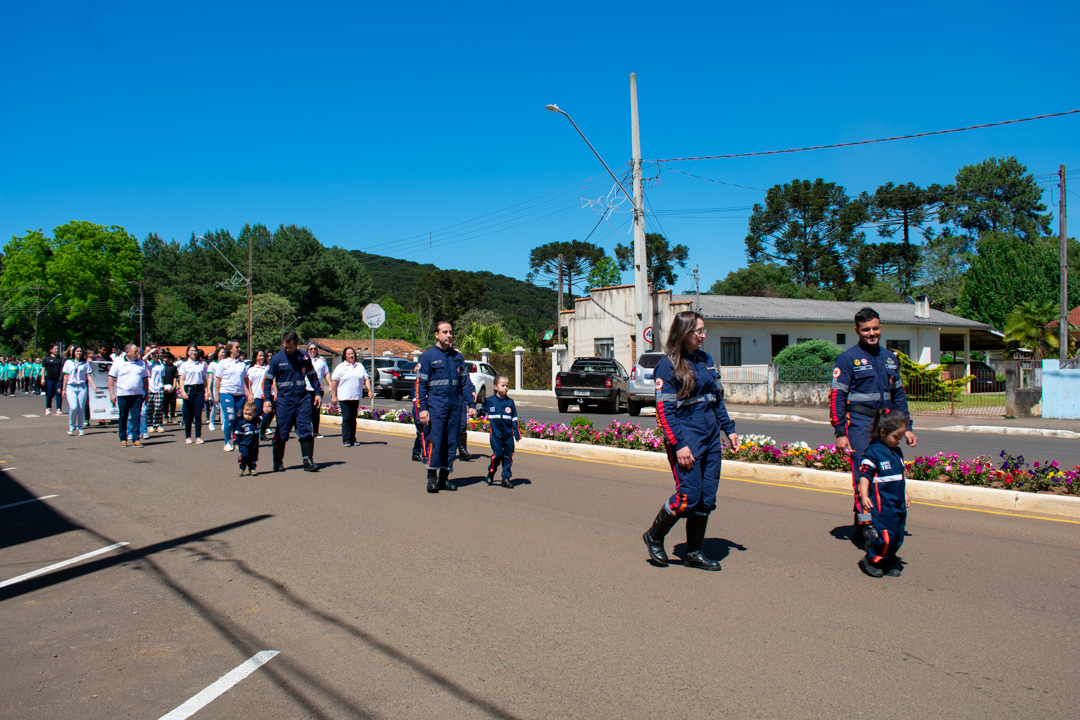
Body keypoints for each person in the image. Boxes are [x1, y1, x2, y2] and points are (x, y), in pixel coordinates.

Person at [643, 311, 740, 571]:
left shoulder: (705, 359)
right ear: (683, 333)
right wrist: (679, 444)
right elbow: (664, 412)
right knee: (688, 497)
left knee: (706, 498)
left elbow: (716, 399)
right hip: (687, 438)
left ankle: (694, 552)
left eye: (703, 330)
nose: (703, 335)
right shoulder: (667, 365)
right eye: (698, 331)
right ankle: (654, 535)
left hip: (710, 438)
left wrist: (729, 429)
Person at [830, 307, 917, 547]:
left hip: (885, 424)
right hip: (859, 424)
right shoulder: (847, 359)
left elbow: (898, 395)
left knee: (887, 472)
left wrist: (906, 426)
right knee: (863, 474)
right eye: (866, 329)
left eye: (875, 328)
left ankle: (880, 521)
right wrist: (840, 432)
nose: (872, 333)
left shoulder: (890, 358)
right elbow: (837, 397)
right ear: (857, 330)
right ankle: (866, 524)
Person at [415, 321, 477, 493]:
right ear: (437, 335)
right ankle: (432, 478)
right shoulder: (428, 356)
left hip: (455, 406)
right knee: (436, 441)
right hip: (437, 405)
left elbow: (465, 383)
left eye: (450, 332)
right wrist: (422, 409)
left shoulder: (457, 357)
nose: (449, 335)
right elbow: (420, 385)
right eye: (445, 332)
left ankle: (444, 478)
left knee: (451, 442)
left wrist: (471, 404)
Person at [856, 409, 911, 578]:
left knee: (898, 534)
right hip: (882, 504)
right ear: (882, 432)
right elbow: (864, 476)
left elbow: (900, 477)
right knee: (886, 535)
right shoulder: (874, 452)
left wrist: (906, 493)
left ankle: (888, 559)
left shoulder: (897, 452)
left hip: (898, 502)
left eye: (901, 436)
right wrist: (864, 496)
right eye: (896, 436)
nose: (899, 440)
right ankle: (872, 559)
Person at [263, 331, 323, 472]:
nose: (287, 349)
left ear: (296, 345)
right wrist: (267, 399)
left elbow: (313, 376)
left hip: (302, 399)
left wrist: (318, 393)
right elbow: (267, 381)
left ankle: (308, 461)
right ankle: (277, 462)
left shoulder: (303, 357)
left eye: (290, 347)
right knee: (282, 432)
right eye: (285, 347)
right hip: (285, 401)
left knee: (305, 430)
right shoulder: (277, 359)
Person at [107, 343, 149, 448]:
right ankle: (123, 438)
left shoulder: (141, 363)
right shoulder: (118, 362)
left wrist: (147, 394)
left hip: (137, 395)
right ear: (127, 352)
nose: (137, 353)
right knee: (123, 417)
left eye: (137, 351)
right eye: (135, 351)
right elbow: (111, 378)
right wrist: (112, 394)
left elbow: (145, 379)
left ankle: (136, 438)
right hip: (123, 395)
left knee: (136, 417)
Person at [330, 346, 372, 447]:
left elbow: (366, 378)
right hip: (344, 397)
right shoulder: (341, 367)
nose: (351, 356)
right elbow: (334, 381)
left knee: (353, 418)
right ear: (345, 356)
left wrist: (369, 390)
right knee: (347, 417)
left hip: (355, 397)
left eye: (352, 353)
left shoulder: (359, 366)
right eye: (348, 354)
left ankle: (353, 438)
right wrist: (333, 396)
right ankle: (346, 439)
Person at [483, 375, 519, 488]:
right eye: (502, 385)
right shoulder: (490, 401)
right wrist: (474, 412)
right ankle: (491, 472)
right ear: (495, 386)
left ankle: (506, 478)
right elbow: (482, 410)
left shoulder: (510, 402)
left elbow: (514, 418)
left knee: (508, 456)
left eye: (507, 386)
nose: (505, 388)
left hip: (508, 435)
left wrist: (517, 433)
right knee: (498, 455)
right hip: (496, 436)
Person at [216, 340, 251, 452]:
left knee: (238, 418)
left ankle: (237, 442)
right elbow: (218, 379)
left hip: (239, 394)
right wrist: (216, 394)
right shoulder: (223, 363)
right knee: (230, 417)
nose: (239, 349)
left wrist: (249, 393)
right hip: (226, 392)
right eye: (237, 347)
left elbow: (246, 379)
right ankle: (227, 441)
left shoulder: (242, 364)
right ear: (230, 349)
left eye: (239, 347)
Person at [61, 346, 95, 436]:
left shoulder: (85, 363)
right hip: (71, 387)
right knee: (73, 407)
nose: (79, 353)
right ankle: (71, 425)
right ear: (73, 352)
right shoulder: (68, 362)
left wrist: (93, 386)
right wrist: (63, 388)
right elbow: (65, 376)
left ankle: (80, 427)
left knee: (81, 408)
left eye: (80, 351)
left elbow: (89, 376)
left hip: (82, 387)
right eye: (77, 351)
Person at [178, 345, 207, 444]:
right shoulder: (184, 365)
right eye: (192, 350)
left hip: (199, 389)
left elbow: (204, 378)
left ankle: (198, 436)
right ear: (188, 352)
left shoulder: (201, 364)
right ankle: (188, 436)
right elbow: (181, 379)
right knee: (188, 414)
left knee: (198, 414)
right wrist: (182, 391)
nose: (194, 352)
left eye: (195, 350)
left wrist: (206, 390)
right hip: (189, 389)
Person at [305, 342, 330, 439]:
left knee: (316, 411)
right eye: (310, 349)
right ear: (307, 351)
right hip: (307, 389)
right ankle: (307, 431)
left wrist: (330, 385)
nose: (313, 350)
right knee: (307, 411)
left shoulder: (321, 361)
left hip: (318, 390)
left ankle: (316, 432)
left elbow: (326, 374)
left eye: (314, 348)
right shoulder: (305, 361)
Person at [142, 345, 166, 435]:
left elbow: (162, 377)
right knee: (150, 407)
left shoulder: (161, 365)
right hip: (150, 387)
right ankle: (149, 424)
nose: (155, 355)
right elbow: (143, 359)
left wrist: (164, 386)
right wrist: (150, 352)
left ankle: (158, 424)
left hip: (159, 387)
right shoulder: (148, 364)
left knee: (159, 406)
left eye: (156, 353)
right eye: (153, 354)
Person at [233, 400, 261, 476]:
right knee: (244, 456)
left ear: (254, 414)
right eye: (245, 414)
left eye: (249, 414)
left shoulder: (257, 421)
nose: (247, 416)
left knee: (253, 456)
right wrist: (236, 443)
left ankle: (252, 469)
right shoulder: (242, 424)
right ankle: (242, 468)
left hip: (254, 443)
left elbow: (263, 419)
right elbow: (237, 434)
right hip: (244, 444)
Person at [247, 349, 269, 431]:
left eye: (263, 355)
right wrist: (250, 394)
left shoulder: (267, 368)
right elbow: (249, 383)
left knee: (266, 415)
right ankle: (254, 432)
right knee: (256, 416)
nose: (261, 357)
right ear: (255, 357)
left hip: (266, 395)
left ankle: (263, 433)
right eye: (259, 355)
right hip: (256, 396)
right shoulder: (251, 370)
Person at [205, 346, 225, 431]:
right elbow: (210, 378)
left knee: (222, 405)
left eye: (224, 352)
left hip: (224, 386)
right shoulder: (213, 364)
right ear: (217, 353)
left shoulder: (225, 363)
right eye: (222, 352)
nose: (223, 354)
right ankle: (211, 421)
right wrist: (208, 389)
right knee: (216, 405)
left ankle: (223, 423)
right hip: (215, 386)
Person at [41, 345, 64, 415]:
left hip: (58, 379)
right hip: (49, 379)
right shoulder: (47, 358)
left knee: (58, 394)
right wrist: (43, 378)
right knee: (49, 394)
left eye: (57, 349)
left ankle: (58, 408)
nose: (56, 350)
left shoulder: (60, 359)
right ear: (51, 350)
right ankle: (48, 408)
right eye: (55, 349)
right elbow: (43, 368)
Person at [161, 352, 179, 424]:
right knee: (165, 403)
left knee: (173, 402)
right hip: (164, 387)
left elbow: (175, 377)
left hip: (172, 387)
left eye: (167, 358)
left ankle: (172, 416)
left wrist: (174, 386)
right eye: (164, 358)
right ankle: (165, 416)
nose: (166, 359)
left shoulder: (174, 367)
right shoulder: (162, 367)